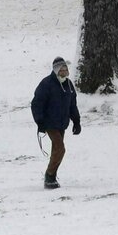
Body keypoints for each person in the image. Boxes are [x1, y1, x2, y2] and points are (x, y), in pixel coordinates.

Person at [30, 57, 81, 189]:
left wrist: (76, 121)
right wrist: (40, 122)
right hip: (49, 123)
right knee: (60, 149)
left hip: (62, 123)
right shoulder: (46, 84)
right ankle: (49, 175)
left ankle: (51, 178)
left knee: (56, 151)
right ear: (56, 70)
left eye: (66, 69)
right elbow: (36, 103)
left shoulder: (69, 85)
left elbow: (72, 106)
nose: (64, 71)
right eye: (61, 69)